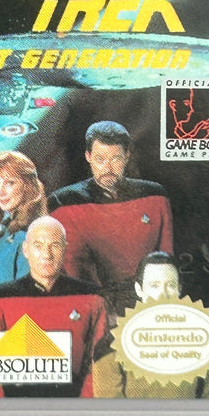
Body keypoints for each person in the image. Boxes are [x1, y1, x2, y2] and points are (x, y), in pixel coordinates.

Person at [47, 120, 174, 317]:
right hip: (89, 306)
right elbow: (65, 267)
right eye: (100, 159)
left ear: (127, 156)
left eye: (116, 159)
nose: (108, 168)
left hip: (148, 303)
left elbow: (166, 258)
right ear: (88, 156)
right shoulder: (62, 202)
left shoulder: (155, 196)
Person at [0, 216, 108, 398]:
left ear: (65, 249)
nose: (47, 255)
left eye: (55, 245)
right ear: (26, 250)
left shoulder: (92, 297)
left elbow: (99, 364)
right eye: (38, 246)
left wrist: (82, 407)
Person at [92, 251, 209, 399]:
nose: (163, 294)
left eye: (170, 285)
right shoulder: (110, 347)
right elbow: (111, 409)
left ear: (179, 289)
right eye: (154, 285)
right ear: (139, 290)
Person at [0, 151, 48, 290]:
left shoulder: (32, 234)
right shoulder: (6, 229)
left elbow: (30, 294)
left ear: (27, 186)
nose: (1, 192)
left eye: (10, 183)